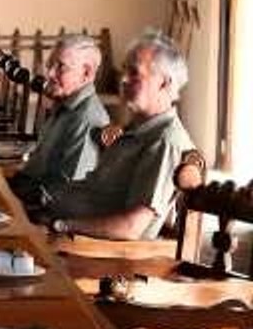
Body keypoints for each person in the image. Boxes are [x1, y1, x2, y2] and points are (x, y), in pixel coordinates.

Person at [44, 30, 196, 240]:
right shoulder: (136, 129)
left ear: (164, 83)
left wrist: (60, 225)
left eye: (134, 73)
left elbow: (131, 228)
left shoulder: (163, 141)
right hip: (58, 225)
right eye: (124, 70)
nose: (123, 79)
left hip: (87, 252)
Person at [8, 34, 110, 207]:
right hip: (25, 195)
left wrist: (10, 194)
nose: (50, 74)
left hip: (43, 217)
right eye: (50, 65)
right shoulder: (64, 104)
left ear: (87, 72)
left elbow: (65, 193)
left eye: (61, 67)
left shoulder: (86, 120)